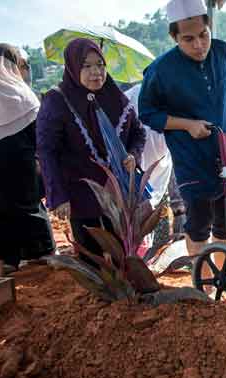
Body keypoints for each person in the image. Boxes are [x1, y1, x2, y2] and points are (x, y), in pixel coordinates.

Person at [138, 0, 226, 259]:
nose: (199, 45)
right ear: (174, 37)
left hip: (224, 147)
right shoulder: (160, 70)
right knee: (199, 221)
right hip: (190, 154)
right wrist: (187, 125)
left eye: (203, 35)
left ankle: (222, 278)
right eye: (188, 39)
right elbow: (148, 113)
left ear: (209, 26)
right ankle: (202, 288)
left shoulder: (224, 52)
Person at [37, 38, 144, 264]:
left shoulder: (114, 96)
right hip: (81, 194)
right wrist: (58, 196)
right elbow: (47, 152)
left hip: (118, 194)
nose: (96, 72)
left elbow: (138, 132)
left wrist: (133, 154)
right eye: (87, 66)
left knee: (123, 253)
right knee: (92, 256)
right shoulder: (57, 101)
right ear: (73, 67)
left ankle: (125, 298)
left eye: (100, 65)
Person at [0, 43, 55, 276]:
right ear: (15, 63)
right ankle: (41, 254)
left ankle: (1, 261)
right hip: (19, 160)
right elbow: (37, 133)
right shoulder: (21, 90)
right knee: (29, 204)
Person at [125, 83, 175, 255]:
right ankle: (147, 256)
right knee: (144, 216)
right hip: (139, 167)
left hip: (156, 168)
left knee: (154, 213)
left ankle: (150, 256)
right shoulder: (130, 97)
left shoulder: (166, 94)